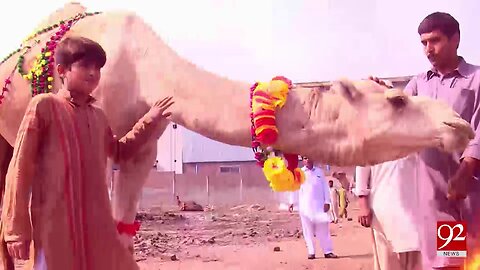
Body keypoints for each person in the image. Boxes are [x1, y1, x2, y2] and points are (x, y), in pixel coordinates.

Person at [1, 36, 174, 270]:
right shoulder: (44, 107)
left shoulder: (98, 116)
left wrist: (149, 120)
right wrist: (15, 229)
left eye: (98, 68)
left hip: (96, 229)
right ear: (62, 70)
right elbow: (20, 167)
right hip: (55, 230)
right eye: (85, 66)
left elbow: (120, 152)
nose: (93, 73)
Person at [371, 12, 480, 269]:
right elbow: (398, 110)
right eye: (423, 43)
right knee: (450, 262)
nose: (428, 49)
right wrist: (379, 94)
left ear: (456, 40)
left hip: (472, 188)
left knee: (475, 260)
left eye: (435, 40)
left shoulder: (476, 80)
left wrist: (466, 170)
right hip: (438, 195)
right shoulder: (419, 84)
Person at [355, 155, 423, 270]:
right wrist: (363, 202)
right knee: (389, 260)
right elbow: (362, 165)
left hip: (439, 210)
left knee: (447, 259)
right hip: (386, 209)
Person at [289, 157, 338, 259]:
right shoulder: (299, 173)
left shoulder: (319, 172)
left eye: (309, 158)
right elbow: (294, 188)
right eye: (305, 158)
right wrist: (291, 202)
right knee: (308, 230)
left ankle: (328, 251)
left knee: (323, 229)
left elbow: (325, 187)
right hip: (305, 207)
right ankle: (311, 252)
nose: (308, 160)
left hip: (320, 206)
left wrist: (327, 201)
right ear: (303, 160)